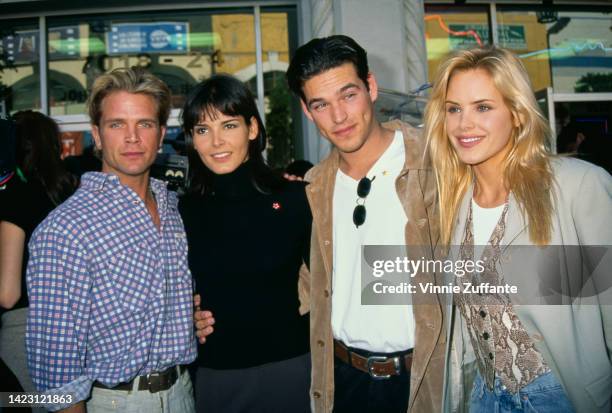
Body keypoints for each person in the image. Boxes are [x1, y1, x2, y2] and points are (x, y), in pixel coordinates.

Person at [424, 47, 612, 413]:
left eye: (483, 107)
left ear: (517, 112)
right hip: (484, 395)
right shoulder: (452, 202)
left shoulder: (578, 186)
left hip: (561, 396)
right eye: (453, 109)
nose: (464, 124)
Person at [285, 35, 445, 413]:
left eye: (349, 94)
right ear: (308, 112)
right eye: (321, 105)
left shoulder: (436, 163)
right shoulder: (314, 188)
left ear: (371, 87)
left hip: (423, 380)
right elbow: (303, 285)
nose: (338, 116)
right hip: (342, 380)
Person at [26, 68, 196, 412]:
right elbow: (56, 371)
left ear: (161, 134)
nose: (132, 137)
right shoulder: (66, 229)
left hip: (183, 393)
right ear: (97, 136)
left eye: (145, 124)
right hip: (113, 402)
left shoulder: (172, 206)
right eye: (117, 124)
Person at [179, 74, 311, 412]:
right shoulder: (184, 210)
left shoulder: (297, 199)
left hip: (290, 369)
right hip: (217, 375)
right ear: (192, 139)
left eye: (229, 125)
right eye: (203, 130)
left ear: (252, 129)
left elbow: (336, 285)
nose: (217, 142)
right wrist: (186, 317)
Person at [0, 111, 75, 413]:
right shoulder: (71, 193)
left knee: (20, 405)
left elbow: (7, 293)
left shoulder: (15, 198)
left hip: (24, 334)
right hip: (69, 327)